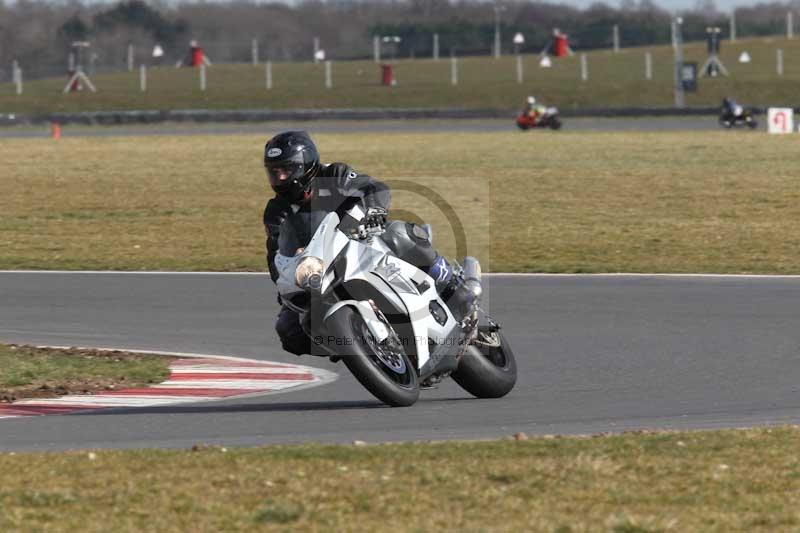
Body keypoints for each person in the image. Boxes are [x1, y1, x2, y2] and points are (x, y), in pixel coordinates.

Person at [262, 131, 478, 356]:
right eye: (274, 172)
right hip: (321, 270)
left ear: (306, 165)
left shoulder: (334, 174)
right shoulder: (276, 211)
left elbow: (373, 187)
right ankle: (355, 346)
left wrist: (373, 210)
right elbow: (275, 255)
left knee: (400, 234)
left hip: (363, 243)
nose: (281, 178)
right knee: (288, 329)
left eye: (287, 170)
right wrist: (285, 283)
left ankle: (456, 289)